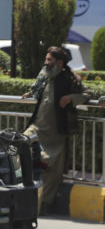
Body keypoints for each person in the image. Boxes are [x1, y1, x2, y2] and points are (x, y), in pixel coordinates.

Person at [22, 46, 93, 214]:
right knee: (21, 145)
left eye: (50, 60)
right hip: (37, 128)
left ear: (60, 62)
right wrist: (29, 93)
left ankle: (44, 205)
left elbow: (87, 93)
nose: (46, 63)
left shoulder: (70, 78)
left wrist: (70, 98)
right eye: (46, 59)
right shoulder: (44, 76)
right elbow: (37, 90)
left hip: (56, 134)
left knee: (51, 171)